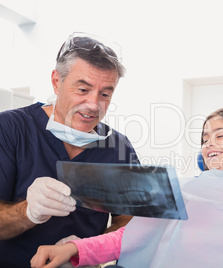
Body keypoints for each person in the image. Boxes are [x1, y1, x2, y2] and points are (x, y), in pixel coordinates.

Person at [30, 108, 223, 268]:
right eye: (204, 139)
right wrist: (73, 248)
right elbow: (131, 237)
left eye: (219, 136)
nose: (208, 145)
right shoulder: (184, 189)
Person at [0, 32, 139, 267]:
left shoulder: (119, 148)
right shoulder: (10, 129)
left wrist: (85, 251)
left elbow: (131, 223)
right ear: (57, 81)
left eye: (105, 93)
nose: (94, 104)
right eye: (83, 90)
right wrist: (29, 211)